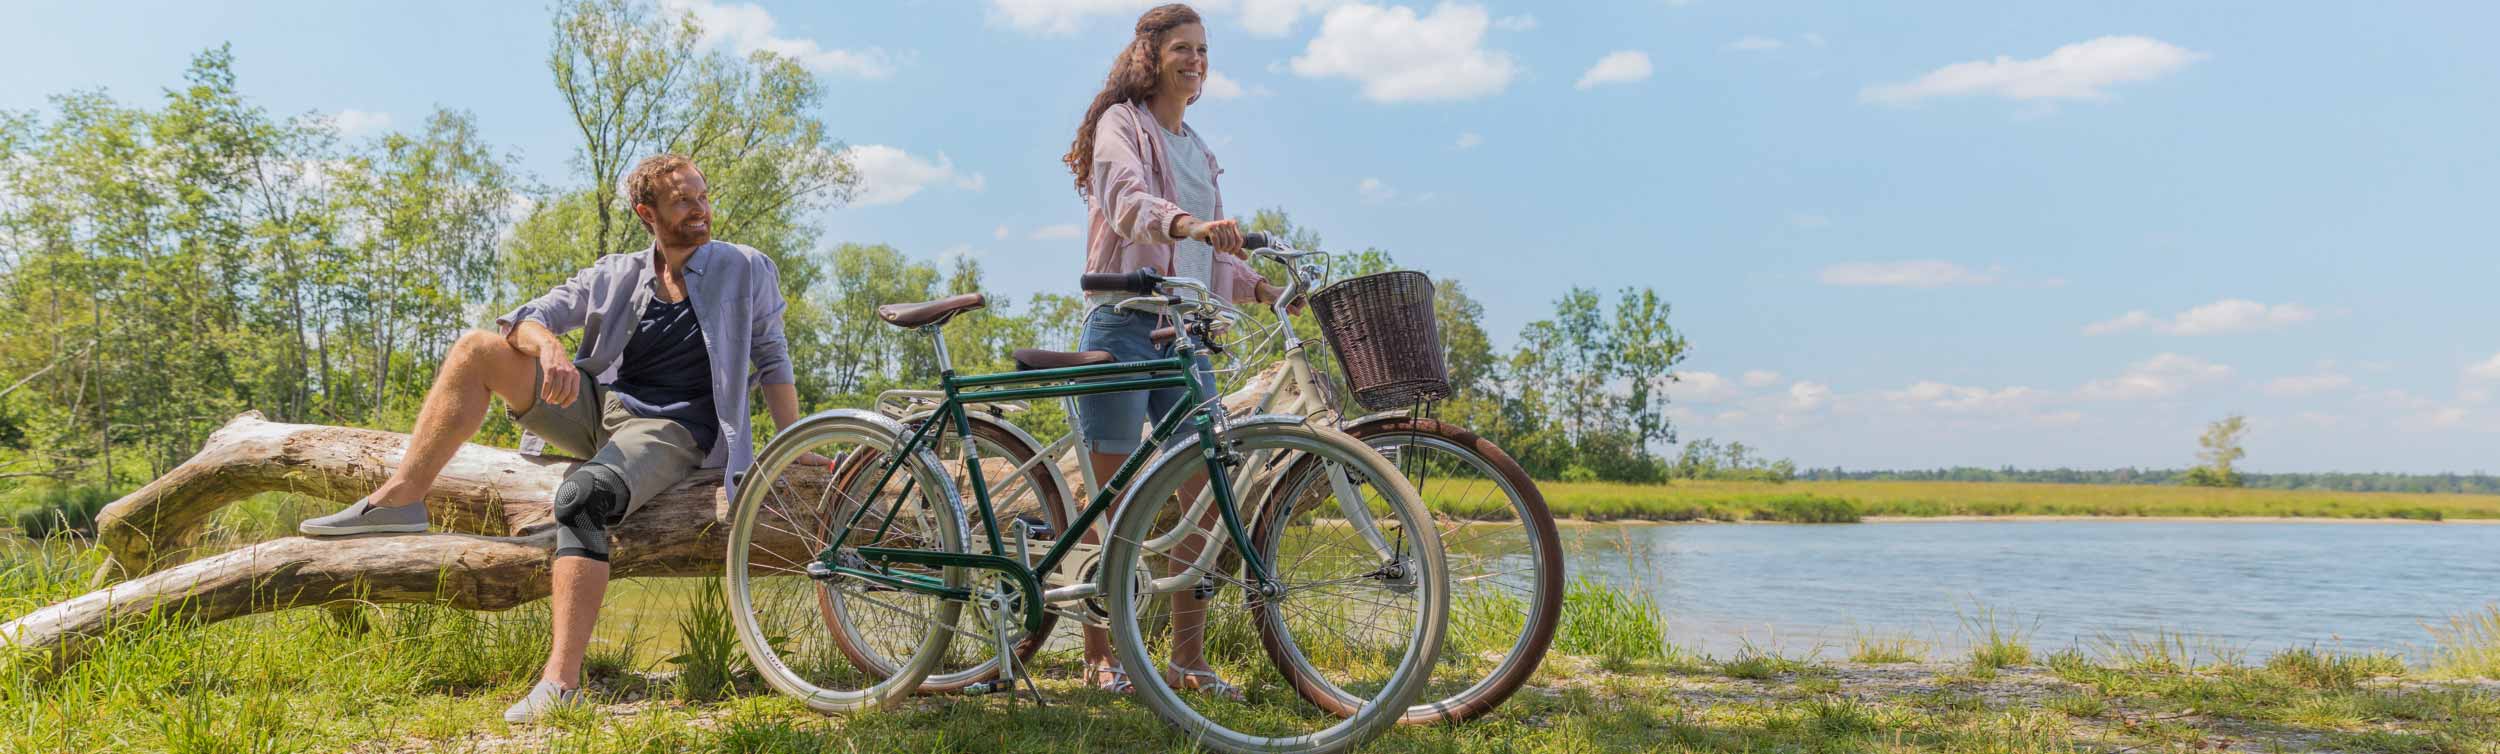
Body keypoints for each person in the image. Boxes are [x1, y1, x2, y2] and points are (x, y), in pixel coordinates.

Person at [296, 154, 804, 723]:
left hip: (674, 428)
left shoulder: (746, 267)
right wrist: (551, 347)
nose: (700, 210)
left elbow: (772, 359)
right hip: (598, 407)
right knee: (475, 350)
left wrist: (796, 448)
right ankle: (401, 499)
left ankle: (561, 684)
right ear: (647, 212)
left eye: (702, 196)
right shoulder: (617, 273)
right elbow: (526, 316)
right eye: (683, 201)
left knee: (582, 498)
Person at [1062, 2, 1295, 700]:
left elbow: (1211, 260)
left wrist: (1263, 289)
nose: (1195, 60)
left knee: (1205, 497)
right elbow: (1127, 201)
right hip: (1124, 323)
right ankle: (1100, 657)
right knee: (1114, 502)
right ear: (1150, 54)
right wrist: (1188, 221)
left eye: (1203, 50)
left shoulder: (1198, 148)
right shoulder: (1120, 125)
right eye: (1183, 48)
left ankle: (1186, 661)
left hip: (1185, 334)